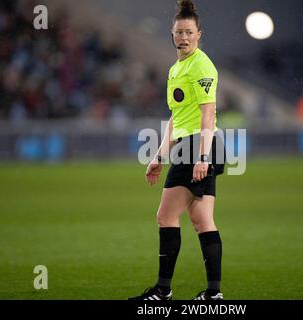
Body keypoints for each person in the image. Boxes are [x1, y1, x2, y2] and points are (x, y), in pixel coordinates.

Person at [129, 0, 225, 300]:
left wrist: (202, 157)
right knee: (202, 221)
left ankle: (162, 290)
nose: (183, 37)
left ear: (199, 34)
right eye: (178, 32)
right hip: (194, 145)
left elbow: (208, 114)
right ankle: (213, 295)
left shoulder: (202, 65)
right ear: (172, 34)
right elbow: (176, 118)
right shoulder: (176, 69)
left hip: (200, 145)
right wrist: (158, 156)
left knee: (165, 217)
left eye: (188, 32)